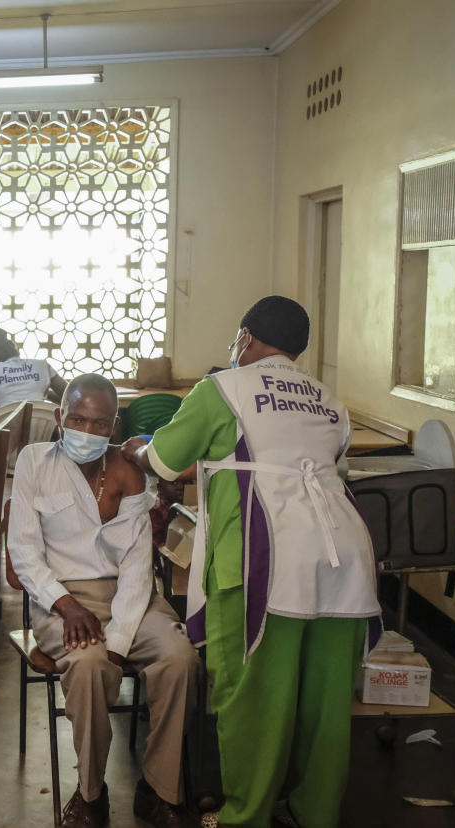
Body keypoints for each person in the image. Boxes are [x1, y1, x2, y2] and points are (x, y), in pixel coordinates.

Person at [122, 296, 381, 828]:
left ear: (245, 337)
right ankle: (315, 813)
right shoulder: (328, 398)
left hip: (265, 562)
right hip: (345, 558)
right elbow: (296, 462)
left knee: (255, 699)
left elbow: (169, 458)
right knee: (325, 703)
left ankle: (245, 816)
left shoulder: (223, 388)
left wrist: (137, 448)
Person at [8, 374, 199, 828]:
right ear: (60, 417)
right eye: (77, 419)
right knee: (90, 665)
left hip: (130, 595)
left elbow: (136, 567)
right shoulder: (35, 462)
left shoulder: (128, 472)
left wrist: (118, 640)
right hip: (61, 597)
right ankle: (91, 793)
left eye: (99, 424)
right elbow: (24, 553)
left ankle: (159, 788)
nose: (87, 432)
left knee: (180, 658)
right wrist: (67, 606)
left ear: (114, 427)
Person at [0, 327, 66, 420]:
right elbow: (68, 392)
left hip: (7, 429)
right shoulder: (42, 365)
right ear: (16, 349)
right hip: (44, 428)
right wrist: (42, 393)